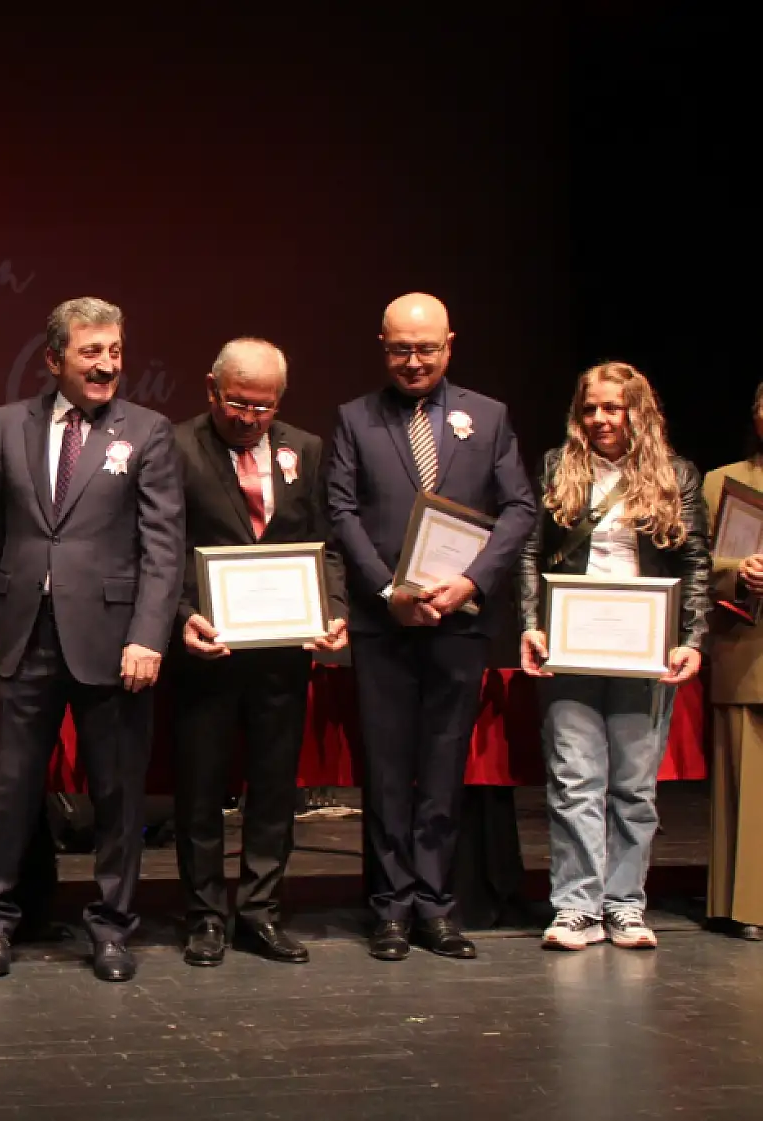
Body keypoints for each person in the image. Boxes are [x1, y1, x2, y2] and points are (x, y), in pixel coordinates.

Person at [0, 297, 183, 983]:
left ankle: (112, 925)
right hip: (26, 634)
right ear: (54, 357)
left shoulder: (146, 431)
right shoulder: (9, 425)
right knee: (12, 789)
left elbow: (163, 547)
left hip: (115, 641)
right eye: (92, 351)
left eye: (115, 350)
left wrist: (149, 634)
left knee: (117, 794)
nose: (107, 364)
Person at [326, 292, 536, 961]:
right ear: (381, 346)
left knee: (444, 765)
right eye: (399, 348)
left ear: (449, 344)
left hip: (459, 619)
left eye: (426, 348)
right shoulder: (354, 419)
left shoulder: (490, 417)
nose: (413, 361)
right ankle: (390, 908)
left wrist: (471, 581)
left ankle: (436, 906)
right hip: (384, 622)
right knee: (387, 770)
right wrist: (389, 591)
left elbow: (519, 509)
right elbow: (340, 512)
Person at [170, 338, 348, 967]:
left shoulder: (306, 448)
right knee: (200, 790)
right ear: (212, 389)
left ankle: (261, 913)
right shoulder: (176, 446)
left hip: (281, 650)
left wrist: (334, 612)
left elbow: (324, 542)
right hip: (205, 649)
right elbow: (159, 549)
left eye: (264, 407)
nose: (249, 418)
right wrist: (182, 616)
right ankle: (205, 917)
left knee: (274, 788)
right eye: (238, 404)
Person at [519, 362, 708, 950]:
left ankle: (624, 904)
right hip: (571, 647)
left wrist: (691, 639)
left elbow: (694, 563)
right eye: (590, 408)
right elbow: (530, 553)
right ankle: (576, 906)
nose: (600, 419)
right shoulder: (556, 467)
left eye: (613, 408)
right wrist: (530, 624)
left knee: (633, 786)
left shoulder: (676, 475)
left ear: (638, 412)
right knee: (575, 780)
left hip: (645, 651)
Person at [704, 380, 763, 942]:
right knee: (746, 782)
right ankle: (745, 903)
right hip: (746, 646)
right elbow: (702, 562)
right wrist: (738, 571)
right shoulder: (724, 481)